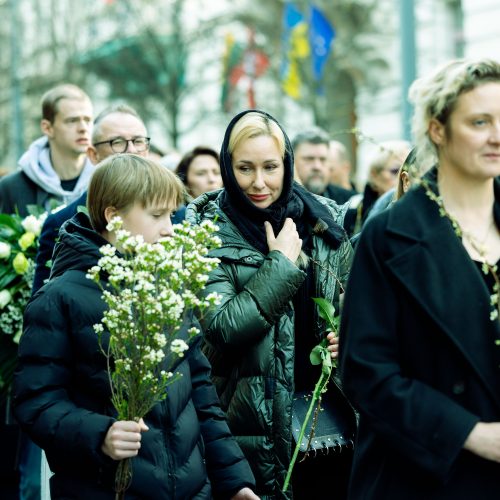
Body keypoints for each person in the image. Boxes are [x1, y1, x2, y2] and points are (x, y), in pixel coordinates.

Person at [13, 154, 259, 500]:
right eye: (157, 215)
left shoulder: (169, 287)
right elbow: (36, 402)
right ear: (113, 217)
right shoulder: (59, 298)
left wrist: (235, 481)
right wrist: (102, 434)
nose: (169, 228)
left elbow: (201, 397)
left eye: (171, 215)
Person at [339, 57, 500, 499]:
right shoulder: (389, 236)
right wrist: (470, 433)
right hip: (422, 475)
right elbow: (366, 374)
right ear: (438, 130)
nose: (497, 136)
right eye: (480, 121)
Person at [186, 110, 354, 498]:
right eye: (244, 168)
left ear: (287, 164)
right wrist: (280, 265)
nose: (258, 182)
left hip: (334, 425)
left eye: (270, 167)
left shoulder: (323, 221)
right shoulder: (208, 231)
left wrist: (348, 337)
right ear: (228, 168)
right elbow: (223, 328)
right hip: (252, 429)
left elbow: (360, 307)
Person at [32, 103, 185, 293]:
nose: (131, 150)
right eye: (117, 142)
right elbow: (45, 304)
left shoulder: (178, 214)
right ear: (93, 155)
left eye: (138, 141)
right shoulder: (62, 222)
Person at [0, 84, 94, 216]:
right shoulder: (12, 187)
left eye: (88, 120)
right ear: (47, 128)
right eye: (72, 120)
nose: (83, 128)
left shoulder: (106, 183)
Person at [292, 128, 357, 205]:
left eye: (323, 159)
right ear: (292, 161)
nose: (317, 166)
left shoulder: (350, 202)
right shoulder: (280, 204)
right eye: (309, 159)